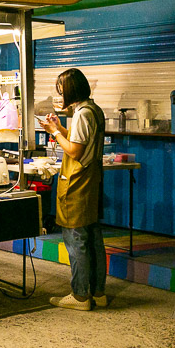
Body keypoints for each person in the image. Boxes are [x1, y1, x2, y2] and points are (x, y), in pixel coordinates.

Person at [37, 68, 108, 311]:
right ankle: (98, 292)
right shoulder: (94, 110)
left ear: (70, 91)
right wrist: (59, 128)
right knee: (94, 239)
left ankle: (79, 296)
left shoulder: (81, 114)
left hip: (77, 182)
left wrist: (54, 132)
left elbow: (75, 151)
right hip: (92, 181)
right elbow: (79, 141)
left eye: (61, 90)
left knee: (76, 241)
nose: (59, 95)